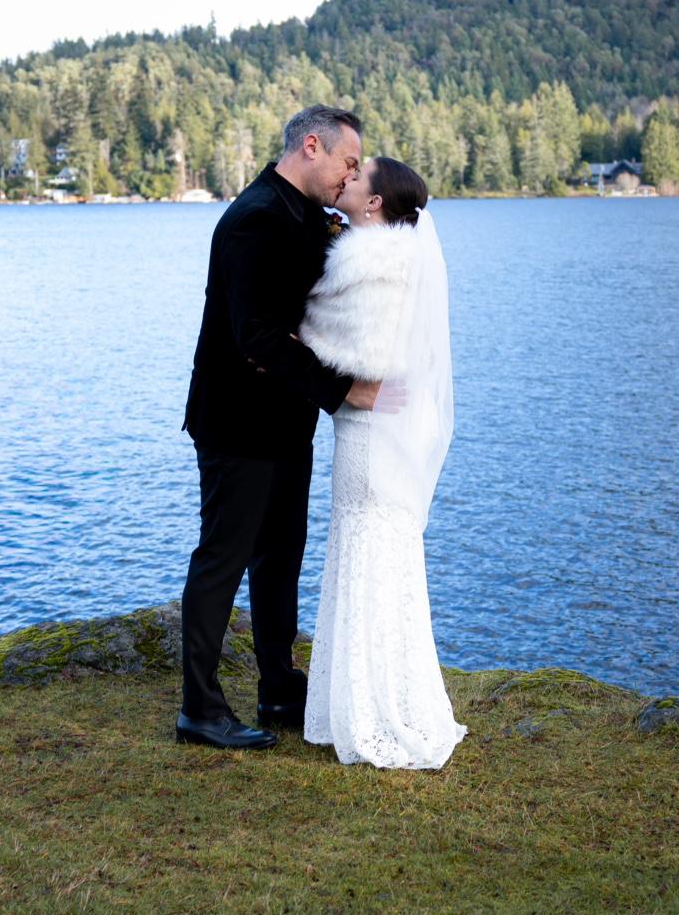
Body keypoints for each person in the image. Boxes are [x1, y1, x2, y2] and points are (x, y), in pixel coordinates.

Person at [177, 105, 380, 751]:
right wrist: (343, 389)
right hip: (236, 422)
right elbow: (258, 335)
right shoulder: (255, 219)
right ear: (312, 146)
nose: (350, 175)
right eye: (348, 162)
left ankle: (278, 685)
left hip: (288, 422)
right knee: (223, 559)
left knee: (280, 558)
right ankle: (199, 710)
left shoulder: (306, 216)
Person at [299, 157, 466, 770]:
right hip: (384, 428)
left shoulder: (370, 262)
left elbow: (352, 350)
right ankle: (378, 698)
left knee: (366, 548)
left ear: (374, 203)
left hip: (368, 431)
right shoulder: (402, 257)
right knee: (382, 552)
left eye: (359, 174)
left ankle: (371, 711)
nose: (348, 177)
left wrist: (291, 337)